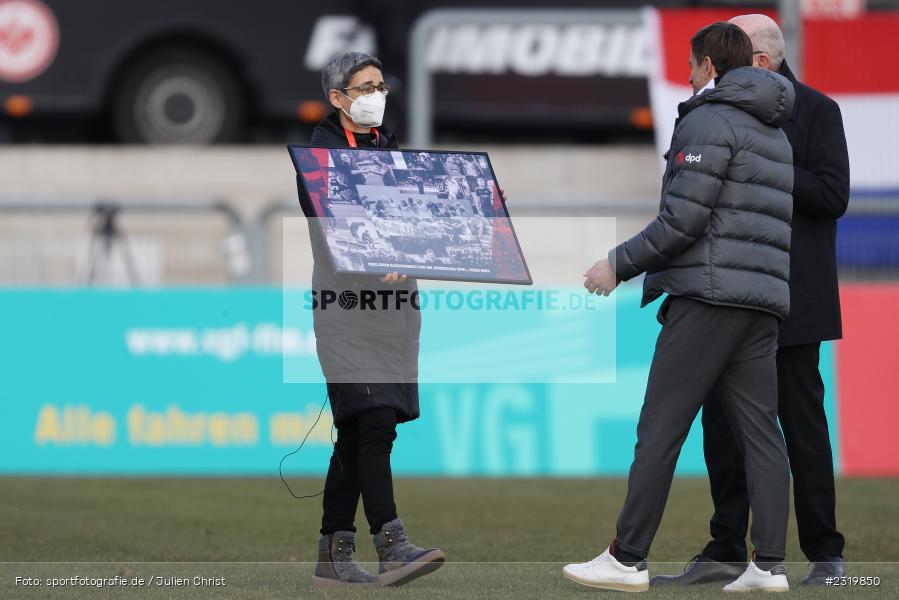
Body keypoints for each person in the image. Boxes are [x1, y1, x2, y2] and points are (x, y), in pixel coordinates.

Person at [565, 22, 795, 592]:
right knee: (763, 435)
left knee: (661, 427)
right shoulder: (776, 131)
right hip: (760, 300)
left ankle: (627, 558)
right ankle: (768, 566)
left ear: (711, 66)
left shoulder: (708, 119)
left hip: (708, 296)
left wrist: (616, 265)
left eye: (692, 67)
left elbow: (682, 221)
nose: (689, 78)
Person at [653, 14, 850, 587]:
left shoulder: (817, 111)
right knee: (721, 429)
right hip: (723, 291)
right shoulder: (712, 115)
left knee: (801, 426)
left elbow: (833, 194)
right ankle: (725, 548)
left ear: (760, 60)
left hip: (794, 297)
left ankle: (825, 555)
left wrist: (766, 166)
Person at [296, 51, 445, 587]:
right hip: (346, 309)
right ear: (337, 99)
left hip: (395, 310)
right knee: (375, 422)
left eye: (380, 85)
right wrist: (383, 257)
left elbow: (416, 219)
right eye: (365, 87)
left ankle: (332, 555)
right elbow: (335, 231)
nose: (376, 95)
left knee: (359, 430)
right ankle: (392, 542)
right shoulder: (320, 157)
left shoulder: (390, 147)